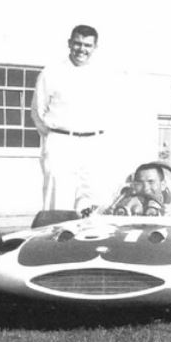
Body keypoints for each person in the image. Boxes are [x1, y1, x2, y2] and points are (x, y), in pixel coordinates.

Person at [30, 25, 117, 212]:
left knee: (97, 200)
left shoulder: (104, 74)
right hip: (61, 142)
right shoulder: (51, 72)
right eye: (77, 43)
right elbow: (37, 111)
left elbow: (112, 111)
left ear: (95, 47)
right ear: (69, 43)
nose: (82, 49)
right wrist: (54, 136)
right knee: (58, 200)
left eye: (87, 45)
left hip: (94, 144)